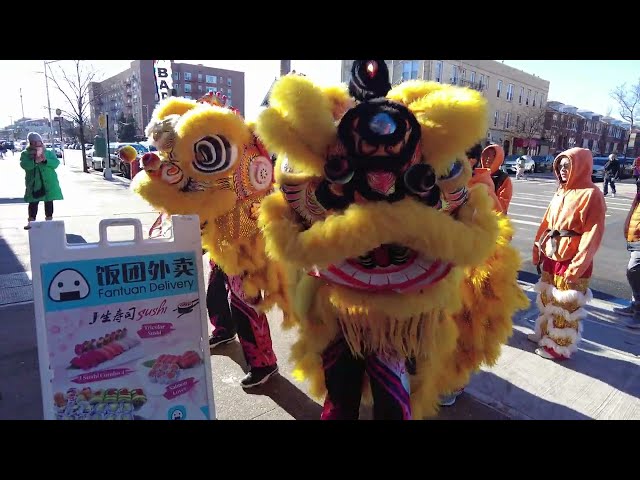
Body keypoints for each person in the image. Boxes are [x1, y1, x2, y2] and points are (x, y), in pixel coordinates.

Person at [529, 147, 606, 360]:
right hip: (553, 254)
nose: (563, 170)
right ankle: (544, 335)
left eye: (568, 165)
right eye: (561, 166)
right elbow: (547, 223)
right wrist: (538, 249)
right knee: (547, 300)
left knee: (565, 309)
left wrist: (577, 266)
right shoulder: (561, 191)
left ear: (580, 167)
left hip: (572, 259)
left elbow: (593, 234)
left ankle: (558, 348)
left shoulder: (592, 194)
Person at [21, 132, 63, 230]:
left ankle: (49, 220)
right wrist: (34, 161)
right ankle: (31, 222)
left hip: (49, 182)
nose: (36, 144)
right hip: (34, 183)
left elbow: (56, 163)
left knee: (49, 201)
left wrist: (45, 160)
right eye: (33, 142)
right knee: (33, 202)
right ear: (30, 143)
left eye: (38, 142)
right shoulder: (25, 154)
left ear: (41, 142)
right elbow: (24, 165)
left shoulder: (48, 152)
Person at [612, 191, 640, 329]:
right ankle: (635, 307)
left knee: (633, 270)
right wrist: (628, 224)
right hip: (635, 234)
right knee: (636, 272)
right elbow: (635, 205)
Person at [481, 143, 513, 214]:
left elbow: (503, 205)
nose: (489, 158)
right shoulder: (477, 174)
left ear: (499, 158)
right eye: (487, 155)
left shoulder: (503, 178)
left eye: (493, 155)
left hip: (495, 220)